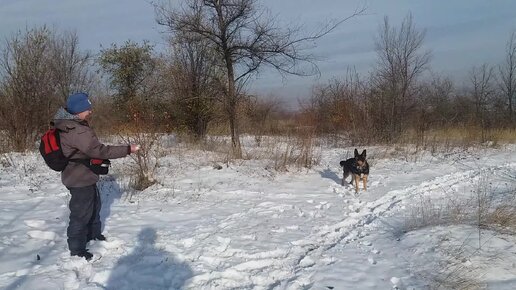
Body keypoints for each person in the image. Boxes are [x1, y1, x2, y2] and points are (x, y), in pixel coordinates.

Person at [53, 92, 139, 260]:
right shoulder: (76, 130)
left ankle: (93, 235)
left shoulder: (71, 124)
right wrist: (128, 149)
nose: (90, 111)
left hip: (83, 175)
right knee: (80, 214)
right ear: (78, 110)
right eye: (87, 108)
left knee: (94, 206)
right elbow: (99, 150)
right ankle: (77, 250)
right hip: (79, 179)